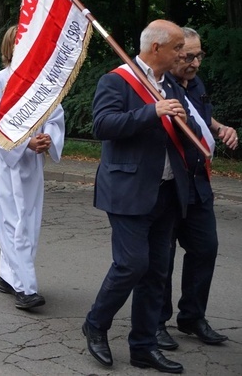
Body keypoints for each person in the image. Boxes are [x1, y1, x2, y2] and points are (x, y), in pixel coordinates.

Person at [82, 20, 202, 374]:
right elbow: (102, 125)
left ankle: (144, 346)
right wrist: (152, 111)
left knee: (157, 272)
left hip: (166, 190)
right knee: (132, 264)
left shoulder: (172, 86)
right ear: (156, 49)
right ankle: (96, 323)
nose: (183, 54)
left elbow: (188, 130)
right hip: (128, 189)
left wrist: (185, 121)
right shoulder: (117, 80)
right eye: (178, 48)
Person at [156, 27, 237, 350]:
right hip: (169, 184)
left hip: (198, 182)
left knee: (206, 248)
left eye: (198, 55)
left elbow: (202, 115)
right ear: (173, 53)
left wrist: (219, 127)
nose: (194, 63)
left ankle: (192, 316)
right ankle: (157, 322)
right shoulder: (160, 86)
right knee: (162, 257)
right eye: (187, 56)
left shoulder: (196, 83)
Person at [0, 26, 65, 310]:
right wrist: (23, 143)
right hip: (9, 162)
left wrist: (47, 139)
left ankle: (9, 275)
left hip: (33, 164)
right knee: (11, 221)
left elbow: (55, 117)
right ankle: (25, 287)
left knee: (28, 220)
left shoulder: (44, 83)